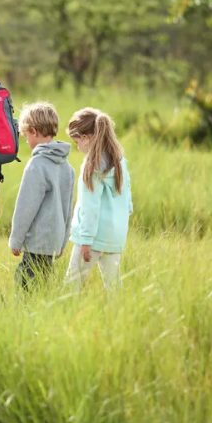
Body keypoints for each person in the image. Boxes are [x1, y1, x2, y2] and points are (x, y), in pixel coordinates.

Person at [63, 108, 133, 290]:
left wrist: (86, 240)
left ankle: (67, 316)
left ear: (87, 137)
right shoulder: (119, 160)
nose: (77, 146)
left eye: (77, 141)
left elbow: (90, 205)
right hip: (115, 237)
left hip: (92, 238)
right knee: (114, 287)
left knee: (72, 285)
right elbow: (128, 200)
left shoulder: (91, 165)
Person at [8, 102, 74, 290]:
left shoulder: (36, 165)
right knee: (43, 286)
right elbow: (67, 208)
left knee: (25, 286)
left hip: (36, 242)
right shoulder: (66, 167)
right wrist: (63, 241)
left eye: (26, 135)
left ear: (34, 131)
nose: (26, 141)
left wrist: (16, 239)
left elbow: (26, 207)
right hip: (54, 242)